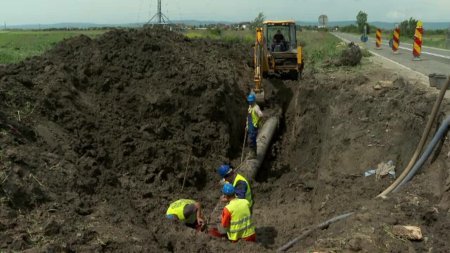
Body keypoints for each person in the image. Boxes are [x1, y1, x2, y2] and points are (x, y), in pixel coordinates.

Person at [246, 93, 263, 159]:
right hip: (250, 126)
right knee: (251, 140)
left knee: (250, 140)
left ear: (253, 101)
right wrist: (247, 125)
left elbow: (261, 115)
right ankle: (252, 153)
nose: (250, 102)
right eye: (249, 101)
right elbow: (249, 117)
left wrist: (257, 123)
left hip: (253, 127)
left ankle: (253, 154)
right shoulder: (250, 107)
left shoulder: (256, 107)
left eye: (251, 101)